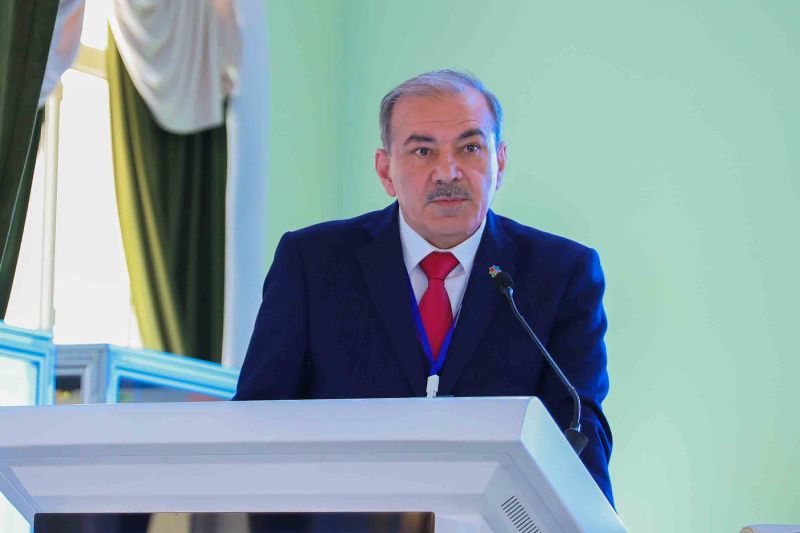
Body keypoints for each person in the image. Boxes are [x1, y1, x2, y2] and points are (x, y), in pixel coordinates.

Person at [234, 69, 614, 505]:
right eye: (422, 151)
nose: (447, 172)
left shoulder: (562, 273)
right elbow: (259, 420)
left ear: (500, 162)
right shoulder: (313, 261)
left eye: (470, 148)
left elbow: (579, 431)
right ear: (385, 171)